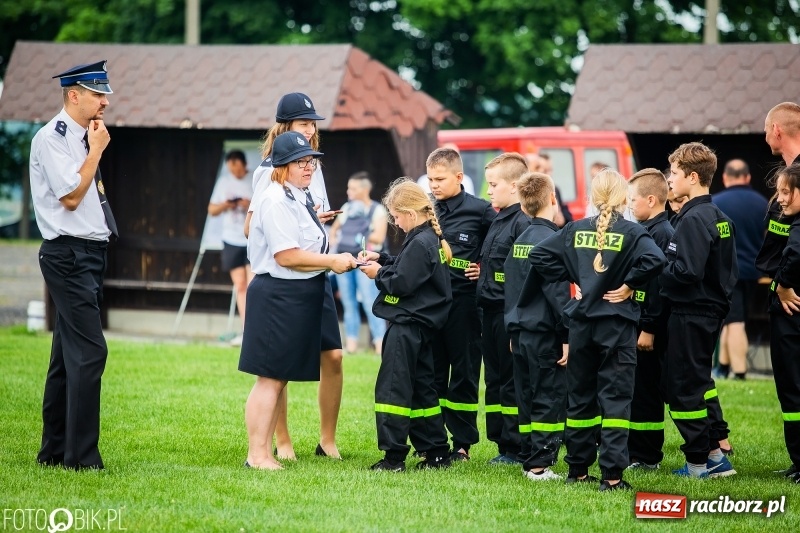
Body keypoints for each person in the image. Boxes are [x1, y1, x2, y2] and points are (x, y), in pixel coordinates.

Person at [529, 169, 666, 491]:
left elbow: (540, 257)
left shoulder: (575, 229)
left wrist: (577, 277)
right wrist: (630, 284)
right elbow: (656, 260)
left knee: (579, 400)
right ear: (622, 199)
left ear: (592, 197)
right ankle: (613, 476)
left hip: (581, 327)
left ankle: (577, 470)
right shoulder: (633, 233)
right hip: (616, 327)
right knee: (616, 401)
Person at [240, 131, 357, 470]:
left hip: (295, 293)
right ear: (282, 165)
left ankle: (260, 453)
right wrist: (333, 261)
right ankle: (258, 455)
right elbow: (287, 256)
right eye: (301, 162)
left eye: (311, 161)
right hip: (279, 293)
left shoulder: (295, 196)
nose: (309, 167)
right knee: (271, 377)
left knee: (277, 376)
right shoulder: (276, 199)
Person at [30, 60, 116, 470]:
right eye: (98, 95)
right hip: (68, 254)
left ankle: (54, 451)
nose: (104, 102)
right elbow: (71, 197)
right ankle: (81, 459)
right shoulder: (54, 138)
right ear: (73, 95)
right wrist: (96, 151)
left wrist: (93, 146)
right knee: (90, 351)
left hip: (87, 254)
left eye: (105, 95)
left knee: (67, 355)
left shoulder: (84, 136)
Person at [358, 178, 453, 471]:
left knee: (392, 391)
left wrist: (377, 274)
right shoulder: (429, 239)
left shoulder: (420, 240)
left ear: (410, 214)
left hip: (406, 327)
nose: (396, 223)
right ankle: (436, 451)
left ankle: (393, 456)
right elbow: (409, 267)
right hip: (423, 329)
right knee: (424, 390)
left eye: (397, 216)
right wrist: (384, 259)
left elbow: (401, 282)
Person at [660, 142, 738, 478]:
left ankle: (700, 461)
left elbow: (686, 272)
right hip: (709, 310)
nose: (670, 181)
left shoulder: (692, 218)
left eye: (674, 174)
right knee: (698, 381)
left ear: (693, 177)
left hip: (691, 312)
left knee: (683, 386)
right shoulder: (719, 217)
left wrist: (656, 266)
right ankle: (713, 454)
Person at [427, 147, 496, 461]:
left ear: (458, 176)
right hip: (433, 304)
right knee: (434, 373)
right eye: (430, 179)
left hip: (466, 307)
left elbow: (500, 246)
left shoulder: (481, 210)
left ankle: (463, 444)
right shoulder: (428, 210)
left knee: (465, 374)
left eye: (440, 179)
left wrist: (483, 267)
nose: (434, 185)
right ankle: (434, 440)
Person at [503, 172, 569, 481]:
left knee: (526, 395)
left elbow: (511, 288)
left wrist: (513, 331)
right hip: (545, 333)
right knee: (547, 395)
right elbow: (557, 294)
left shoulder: (520, 240)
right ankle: (539, 465)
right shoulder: (553, 241)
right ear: (553, 199)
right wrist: (566, 334)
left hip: (520, 332)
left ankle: (528, 453)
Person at [475, 152, 532, 465]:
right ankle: (502, 442)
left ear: (514, 187)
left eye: (493, 185)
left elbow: (522, 278)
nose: (488, 191)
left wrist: (515, 322)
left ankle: (516, 446)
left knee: (511, 383)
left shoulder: (522, 222)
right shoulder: (500, 218)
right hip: (490, 313)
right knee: (495, 381)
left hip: (508, 316)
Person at [625, 169, 674, 470]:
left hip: (649, 330)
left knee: (646, 393)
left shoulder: (660, 234)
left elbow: (657, 289)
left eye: (633, 199)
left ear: (651, 200)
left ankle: (647, 457)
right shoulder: (648, 230)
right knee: (638, 390)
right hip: (640, 323)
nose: (630, 205)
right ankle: (637, 451)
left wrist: (648, 328)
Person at [756, 163, 800, 484]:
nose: (780, 199)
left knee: (792, 387)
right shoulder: (787, 218)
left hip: (790, 315)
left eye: (787, 192)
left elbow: (794, 254)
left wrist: (781, 284)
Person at [711, 160, 769, 380]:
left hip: (727, 272)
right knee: (734, 319)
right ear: (747, 177)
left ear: (725, 178)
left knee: (734, 322)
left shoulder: (716, 203)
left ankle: (740, 372)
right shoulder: (762, 203)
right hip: (753, 272)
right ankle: (723, 367)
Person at [329, 171, 388, 354]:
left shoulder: (377, 210)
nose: (348, 191)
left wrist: (355, 237)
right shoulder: (347, 207)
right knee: (348, 302)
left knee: (370, 301)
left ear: (364, 189)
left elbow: (379, 236)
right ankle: (352, 344)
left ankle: (380, 344)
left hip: (366, 261)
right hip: (346, 260)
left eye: (352, 188)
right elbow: (333, 230)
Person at [208, 150, 253, 347]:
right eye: (231, 169)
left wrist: (247, 204)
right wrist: (227, 205)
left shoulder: (255, 179)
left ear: (244, 165)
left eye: (237, 168)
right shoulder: (224, 182)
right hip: (230, 239)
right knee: (240, 286)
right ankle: (246, 330)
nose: (234, 172)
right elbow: (211, 210)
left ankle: (255, 328)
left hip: (252, 239)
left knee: (253, 286)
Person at [526, 153, 573, 228]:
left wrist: (563, 220)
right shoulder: (526, 193)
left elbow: (568, 217)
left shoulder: (555, 189)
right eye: (544, 170)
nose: (549, 174)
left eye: (550, 170)